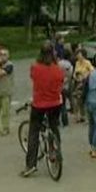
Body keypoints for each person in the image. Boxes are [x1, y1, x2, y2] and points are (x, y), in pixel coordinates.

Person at [22, 41, 65, 177]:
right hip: (55, 103)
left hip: (39, 104)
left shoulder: (35, 67)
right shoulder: (57, 69)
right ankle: (55, 151)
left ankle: (31, 164)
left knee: (34, 131)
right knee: (54, 126)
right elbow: (61, 82)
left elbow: (34, 79)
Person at [72, 49, 94, 123]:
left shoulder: (87, 62)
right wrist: (75, 76)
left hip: (85, 83)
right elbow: (74, 72)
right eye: (77, 55)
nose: (78, 56)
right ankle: (79, 115)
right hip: (78, 82)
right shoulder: (77, 63)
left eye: (79, 55)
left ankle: (87, 117)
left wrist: (85, 76)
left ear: (83, 55)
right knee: (77, 99)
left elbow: (92, 71)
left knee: (85, 100)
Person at [58, 50, 73, 127]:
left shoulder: (59, 63)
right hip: (66, 86)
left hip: (59, 86)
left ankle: (57, 120)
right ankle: (65, 121)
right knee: (64, 104)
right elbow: (70, 76)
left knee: (59, 104)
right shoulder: (70, 65)